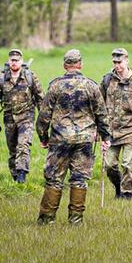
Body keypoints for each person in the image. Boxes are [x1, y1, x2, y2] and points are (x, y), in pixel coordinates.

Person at [36, 49, 111, 225]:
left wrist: (43, 137)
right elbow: (102, 113)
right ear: (81, 64)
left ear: (64, 65)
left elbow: (44, 115)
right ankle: (76, 220)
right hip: (84, 140)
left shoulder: (55, 85)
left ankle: (47, 220)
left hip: (59, 139)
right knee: (79, 178)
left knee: (54, 179)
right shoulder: (91, 86)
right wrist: (106, 136)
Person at [100, 48, 132, 199]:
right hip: (111, 131)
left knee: (128, 163)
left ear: (127, 60)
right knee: (109, 165)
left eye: (120, 62)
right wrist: (98, 129)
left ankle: (127, 195)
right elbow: (99, 105)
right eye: (115, 62)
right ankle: (118, 187)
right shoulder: (107, 80)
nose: (117, 65)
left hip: (131, 130)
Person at [0, 48, 43, 183]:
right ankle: (15, 176)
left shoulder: (30, 77)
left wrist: (44, 117)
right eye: (12, 60)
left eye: (17, 60)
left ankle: (22, 174)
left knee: (23, 145)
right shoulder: (2, 78)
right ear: (8, 61)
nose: (14, 63)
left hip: (26, 117)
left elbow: (40, 97)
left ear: (21, 62)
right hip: (9, 118)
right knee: (13, 150)